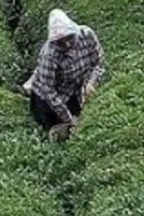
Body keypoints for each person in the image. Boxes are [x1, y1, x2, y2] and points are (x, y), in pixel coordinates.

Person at [25, 8, 105, 139]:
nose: (66, 43)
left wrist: (91, 83)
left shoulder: (87, 35)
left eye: (69, 38)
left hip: (71, 90)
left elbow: (98, 63)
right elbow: (48, 90)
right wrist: (67, 118)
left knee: (77, 124)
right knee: (51, 129)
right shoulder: (49, 54)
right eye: (60, 42)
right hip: (46, 98)